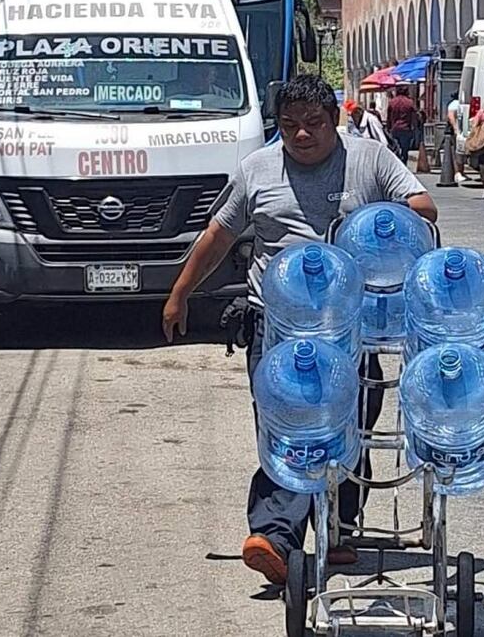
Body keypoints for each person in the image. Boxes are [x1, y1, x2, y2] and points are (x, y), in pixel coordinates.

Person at [161, 74, 437, 585]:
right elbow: (218, 235)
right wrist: (180, 293)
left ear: (333, 120)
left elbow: (423, 209)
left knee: (350, 425)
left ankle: (339, 528)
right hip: (277, 325)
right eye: (289, 126)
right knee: (289, 428)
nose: (302, 136)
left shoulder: (370, 160)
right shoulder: (257, 170)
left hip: (349, 327)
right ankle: (275, 536)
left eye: (313, 124)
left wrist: (371, 226)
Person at [385, 85, 416, 165]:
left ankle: (397, 163)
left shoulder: (392, 102)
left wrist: (388, 127)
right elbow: (414, 117)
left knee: (395, 148)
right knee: (405, 149)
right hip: (406, 128)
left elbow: (389, 116)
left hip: (395, 128)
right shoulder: (409, 102)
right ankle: (403, 163)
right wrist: (414, 128)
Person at [446, 90, 467, 183]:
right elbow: (451, 116)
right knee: (457, 153)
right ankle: (457, 173)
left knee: (460, 153)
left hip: (458, 131)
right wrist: (456, 130)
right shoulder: (455, 104)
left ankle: (460, 172)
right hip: (455, 132)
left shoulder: (455, 104)